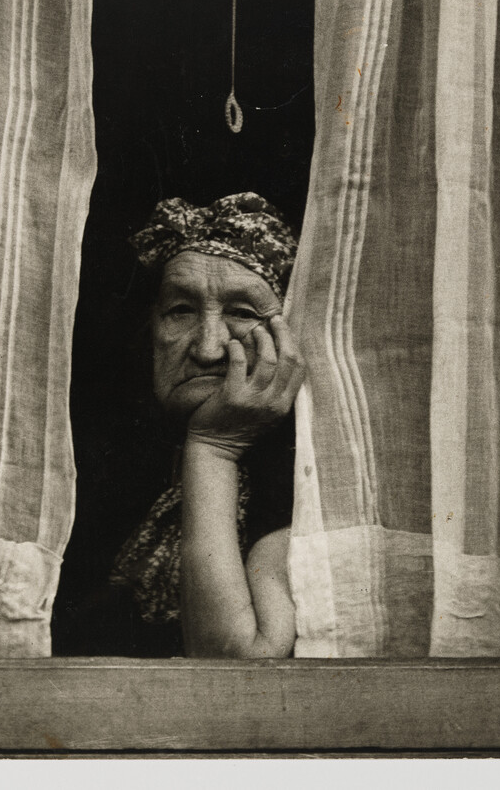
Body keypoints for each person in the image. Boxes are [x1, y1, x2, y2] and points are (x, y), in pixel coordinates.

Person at [110, 192, 306, 658]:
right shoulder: (110, 478)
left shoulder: (306, 489)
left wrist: (215, 446)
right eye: (181, 310)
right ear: (150, 331)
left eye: (243, 314)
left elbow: (232, 672)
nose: (210, 348)